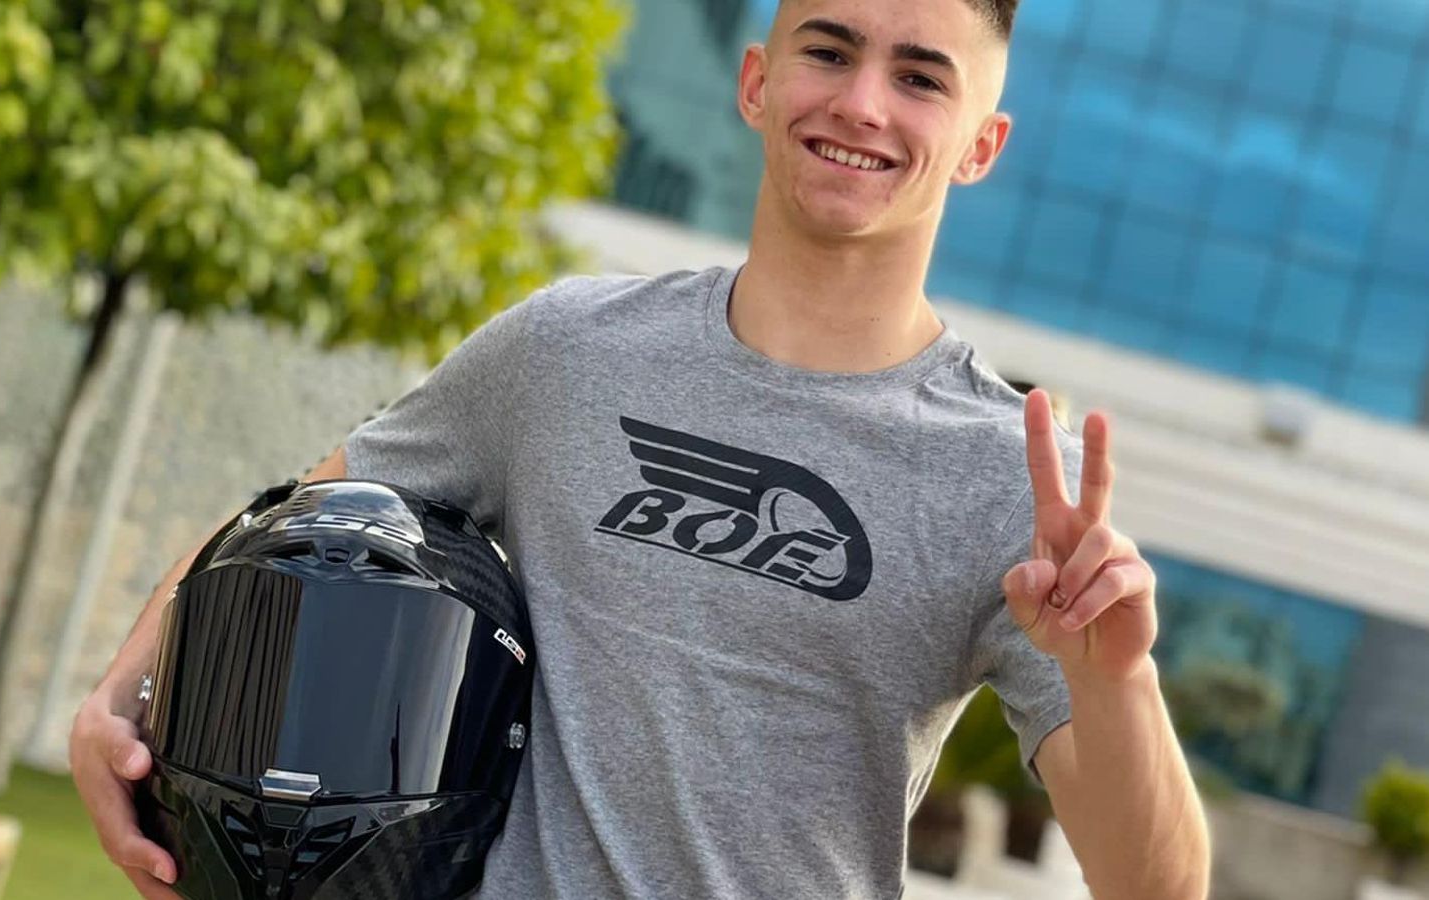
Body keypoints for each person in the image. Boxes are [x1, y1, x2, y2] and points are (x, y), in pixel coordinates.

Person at [70, 0, 1211, 897]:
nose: (863, 103)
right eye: (829, 52)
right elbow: (301, 517)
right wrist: (119, 699)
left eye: (920, 76)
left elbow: (1155, 891)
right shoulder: (565, 349)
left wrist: (1116, 682)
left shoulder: (1012, 475)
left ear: (980, 145)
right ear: (758, 84)